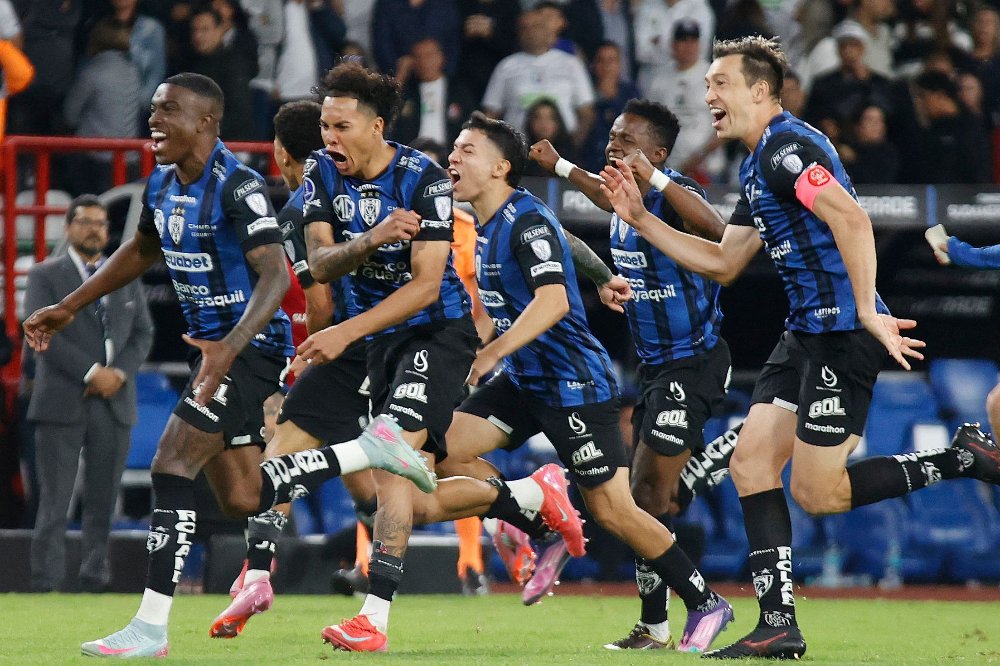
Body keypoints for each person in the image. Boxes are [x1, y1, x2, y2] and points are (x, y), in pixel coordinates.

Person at [599, 36, 1000, 659]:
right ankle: (779, 623)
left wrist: (867, 309)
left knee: (819, 492)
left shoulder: (789, 149)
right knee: (750, 463)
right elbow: (727, 262)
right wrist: (644, 219)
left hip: (842, 334)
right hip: (804, 333)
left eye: (720, 84)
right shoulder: (757, 164)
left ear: (761, 90)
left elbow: (852, 218)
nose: (708, 96)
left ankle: (963, 459)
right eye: (707, 85)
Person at [23, 72, 438, 659]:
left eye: (169, 111)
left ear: (206, 123)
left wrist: (230, 347)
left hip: (246, 352)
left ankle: (150, 627)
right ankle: (365, 451)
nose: (155, 120)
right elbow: (141, 250)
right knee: (244, 496)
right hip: (220, 353)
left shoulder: (236, 185)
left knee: (171, 465)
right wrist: (69, 306)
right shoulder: (163, 184)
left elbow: (275, 273)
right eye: (154, 109)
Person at [258, 62, 583, 652]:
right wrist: (372, 239)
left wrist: (343, 331)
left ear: (376, 126)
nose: (328, 137)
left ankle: (372, 617)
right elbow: (321, 263)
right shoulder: (321, 180)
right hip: (378, 344)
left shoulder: (423, 178)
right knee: (412, 489)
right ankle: (529, 496)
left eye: (341, 125)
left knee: (390, 462)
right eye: (324, 125)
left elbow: (428, 285)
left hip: (437, 334)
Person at [442, 111, 735, 653]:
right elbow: (571, 232)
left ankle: (705, 601)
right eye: (612, 135)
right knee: (443, 450)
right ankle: (535, 511)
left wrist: (491, 351)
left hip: (587, 380)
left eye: (467, 150)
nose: (613, 144)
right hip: (531, 377)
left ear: (501, 167)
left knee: (621, 508)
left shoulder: (664, 198)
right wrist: (601, 273)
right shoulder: (496, 221)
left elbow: (553, 296)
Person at [529, 98, 741, 649]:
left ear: (658, 153)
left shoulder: (676, 200)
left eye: (626, 140)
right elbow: (602, 192)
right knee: (653, 502)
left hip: (693, 362)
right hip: (652, 369)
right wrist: (556, 165)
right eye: (612, 135)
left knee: (641, 498)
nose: (612, 144)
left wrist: (660, 180)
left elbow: (719, 232)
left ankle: (663, 619)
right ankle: (657, 621)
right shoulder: (624, 202)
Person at [26, 195, 153, 593]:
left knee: (103, 498)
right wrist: (91, 372)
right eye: (85, 222)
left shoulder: (124, 275)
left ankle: (94, 579)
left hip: (114, 400)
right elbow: (40, 332)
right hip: (62, 399)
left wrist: (118, 373)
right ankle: (45, 582)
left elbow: (142, 333)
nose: (95, 229)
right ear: (68, 227)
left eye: (101, 223)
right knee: (55, 499)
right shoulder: (45, 275)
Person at [481, 4, 595, 144]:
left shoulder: (571, 63)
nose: (530, 32)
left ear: (547, 31)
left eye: (536, 27)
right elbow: (490, 113)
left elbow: (587, 112)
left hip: (562, 148)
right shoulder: (506, 66)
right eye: (524, 28)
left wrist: (574, 145)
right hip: (520, 150)